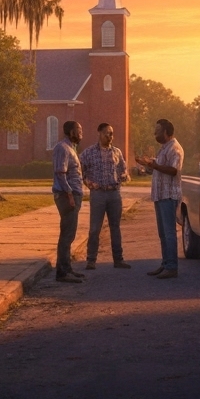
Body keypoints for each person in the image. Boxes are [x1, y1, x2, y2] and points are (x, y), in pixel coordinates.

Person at [136, 119, 183, 279]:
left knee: (169, 233)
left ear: (166, 132)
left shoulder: (174, 148)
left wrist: (154, 165)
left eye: (157, 130)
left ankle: (172, 267)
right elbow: (159, 168)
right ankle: (165, 264)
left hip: (169, 196)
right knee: (163, 233)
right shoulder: (164, 149)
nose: (155, 133)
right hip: (160, 195)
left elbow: (173, 170)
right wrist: (148, 164)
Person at [81, 122, 130, 270]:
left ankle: (118, 259)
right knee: (95, 228)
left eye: (112, 134)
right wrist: (88, 182)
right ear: (99, 133)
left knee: (115, 227)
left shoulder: (117, 152)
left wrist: (124, 175)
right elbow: (79, 170)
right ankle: (91, 260)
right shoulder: (88, 153)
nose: (110, 137)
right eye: (107, 133)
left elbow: (124, 169)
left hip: (114, 194)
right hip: (98, 195)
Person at [52, 120, 85, 283]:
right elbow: (60, 173)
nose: (81, 133)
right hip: (66, 196)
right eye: (78, 130)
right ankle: (62, 272)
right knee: (67, 234)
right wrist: (70, 195)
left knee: (70, 234)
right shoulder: (62, 148)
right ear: (70, 132)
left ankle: (67, 268)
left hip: (73, 195)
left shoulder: (71, 148)